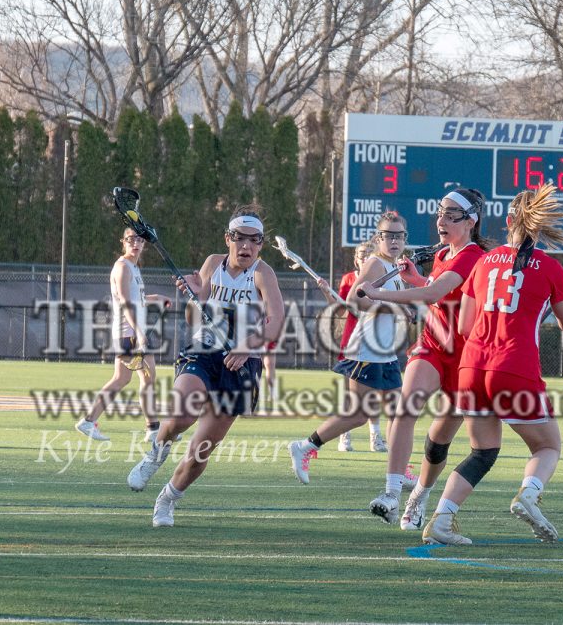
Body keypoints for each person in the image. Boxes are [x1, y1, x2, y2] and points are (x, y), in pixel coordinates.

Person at [422, 183, 563, 545]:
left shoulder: (482, 261)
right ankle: (528, 493)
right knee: (547, 447)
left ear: (508, 221)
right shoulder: (552, 268)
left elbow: (464, 326)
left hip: (472, 368)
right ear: (537, 227)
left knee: (483, 452)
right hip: (514, 367)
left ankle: (441, 521)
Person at [126, 206, 284, 527]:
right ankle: (157, 452)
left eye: (255, 241)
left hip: (242, 364)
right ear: (228, 238)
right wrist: (197, 297)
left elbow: (276, 322)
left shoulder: (263, 274)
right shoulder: (213, 264)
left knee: (201, 451)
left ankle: (168, 498)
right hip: (204, 350)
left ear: (261, 245)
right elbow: (192, 319)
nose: (247, 246)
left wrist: (247, 346)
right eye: (241, 238)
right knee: (181, 413)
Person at [360, 188, 492, 527]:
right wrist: (414, 278)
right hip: (433, 344)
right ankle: (390, 494)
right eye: (439, 213)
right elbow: (435, 294)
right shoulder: (444, 254)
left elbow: (435, 292)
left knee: (437, 444)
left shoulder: (472, 255)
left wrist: (380, 292)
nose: (441, 220)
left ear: (471, 221)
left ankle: (418, 497)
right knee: (406, 407)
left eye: (451, 215)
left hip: (464, 357)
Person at [288, 211, 410, 484]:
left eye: (399, 236)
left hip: (385, 351)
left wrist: (404, 310)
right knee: (358, 415)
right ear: (379, 239)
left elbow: (392, 303)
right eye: (388, 235)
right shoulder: (376, 264)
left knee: (398, 413)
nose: (394, 241)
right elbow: (356, 299)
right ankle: (305, 447)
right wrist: (393, 308)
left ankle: (400, 470)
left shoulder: (396, 266)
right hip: (367, 350)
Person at [75, 227, 172, 442]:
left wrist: (157, 298)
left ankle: (89, 421)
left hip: (130, 331)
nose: (135, 243)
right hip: (129, 332)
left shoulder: (133, 268)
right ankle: (153, 429)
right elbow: (126, 303)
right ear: (123, 242)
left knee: (124, 378)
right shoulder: (123, 267)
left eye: (139, 240)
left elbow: (137, 299)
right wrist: (139, 332)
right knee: (146, 378)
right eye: (130, 240)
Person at [317, 242, 388, 453]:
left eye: (368, 253)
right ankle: (344, 436)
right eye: (361, 254)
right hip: (354, 339)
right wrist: (326, 292)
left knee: (374, 393)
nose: (365, 257)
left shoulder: (382, 277)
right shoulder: (349, 279)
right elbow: (339, 311)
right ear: (355, 258)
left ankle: (375, 436)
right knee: (353, 395)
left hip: (376, 339)